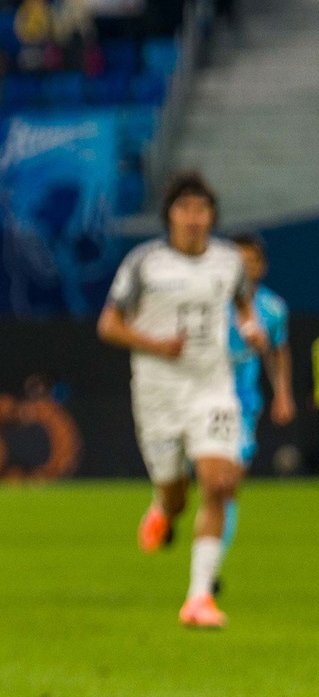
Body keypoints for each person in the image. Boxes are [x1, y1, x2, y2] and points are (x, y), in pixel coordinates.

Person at [97, 172, 254, 629]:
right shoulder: (144, 263)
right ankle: (163, 507)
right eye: (184, 209)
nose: (193, 218)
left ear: (212, 217)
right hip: (158, 392)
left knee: (220, 482)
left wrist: (250, 329)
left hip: (212, 388)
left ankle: (198, 598)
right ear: (169, 216)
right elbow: (109, 325)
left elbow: (243, 305)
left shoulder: (229, 262)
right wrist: (155, 344)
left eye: (202, 210)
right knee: (177, 495)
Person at [217, 231, 296, 590]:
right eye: (238, 261)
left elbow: (278, 351)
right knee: (192, 480)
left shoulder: (273, 309)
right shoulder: (207, 301)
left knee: (229, 482)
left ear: (262, 267)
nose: (245, 268)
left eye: (251, 262)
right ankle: (166, 507)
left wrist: (283, 394)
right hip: (197, 397)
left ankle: (211, 567)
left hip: (242, 402)